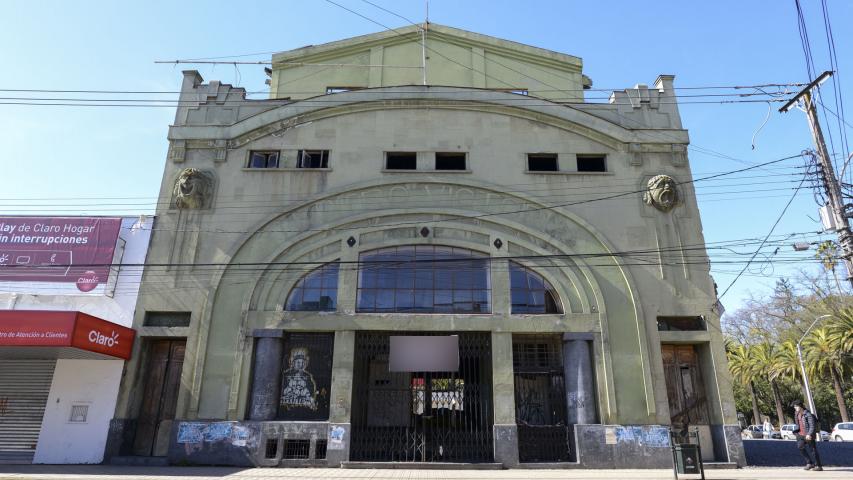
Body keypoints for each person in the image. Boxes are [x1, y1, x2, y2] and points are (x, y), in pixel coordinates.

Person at [791, 400, 822, 471]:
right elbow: (798, 424)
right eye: (794, 406)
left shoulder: (808, 414)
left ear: (800, 406)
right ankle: (809, 463)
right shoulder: (796, 414)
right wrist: (796, 432)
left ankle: (818, 466)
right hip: (800, 435)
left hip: (808, 435)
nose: (795, 408)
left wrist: (809, 434)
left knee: (813, 450)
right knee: (800, 447)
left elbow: (812, 426)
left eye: (796, 406)